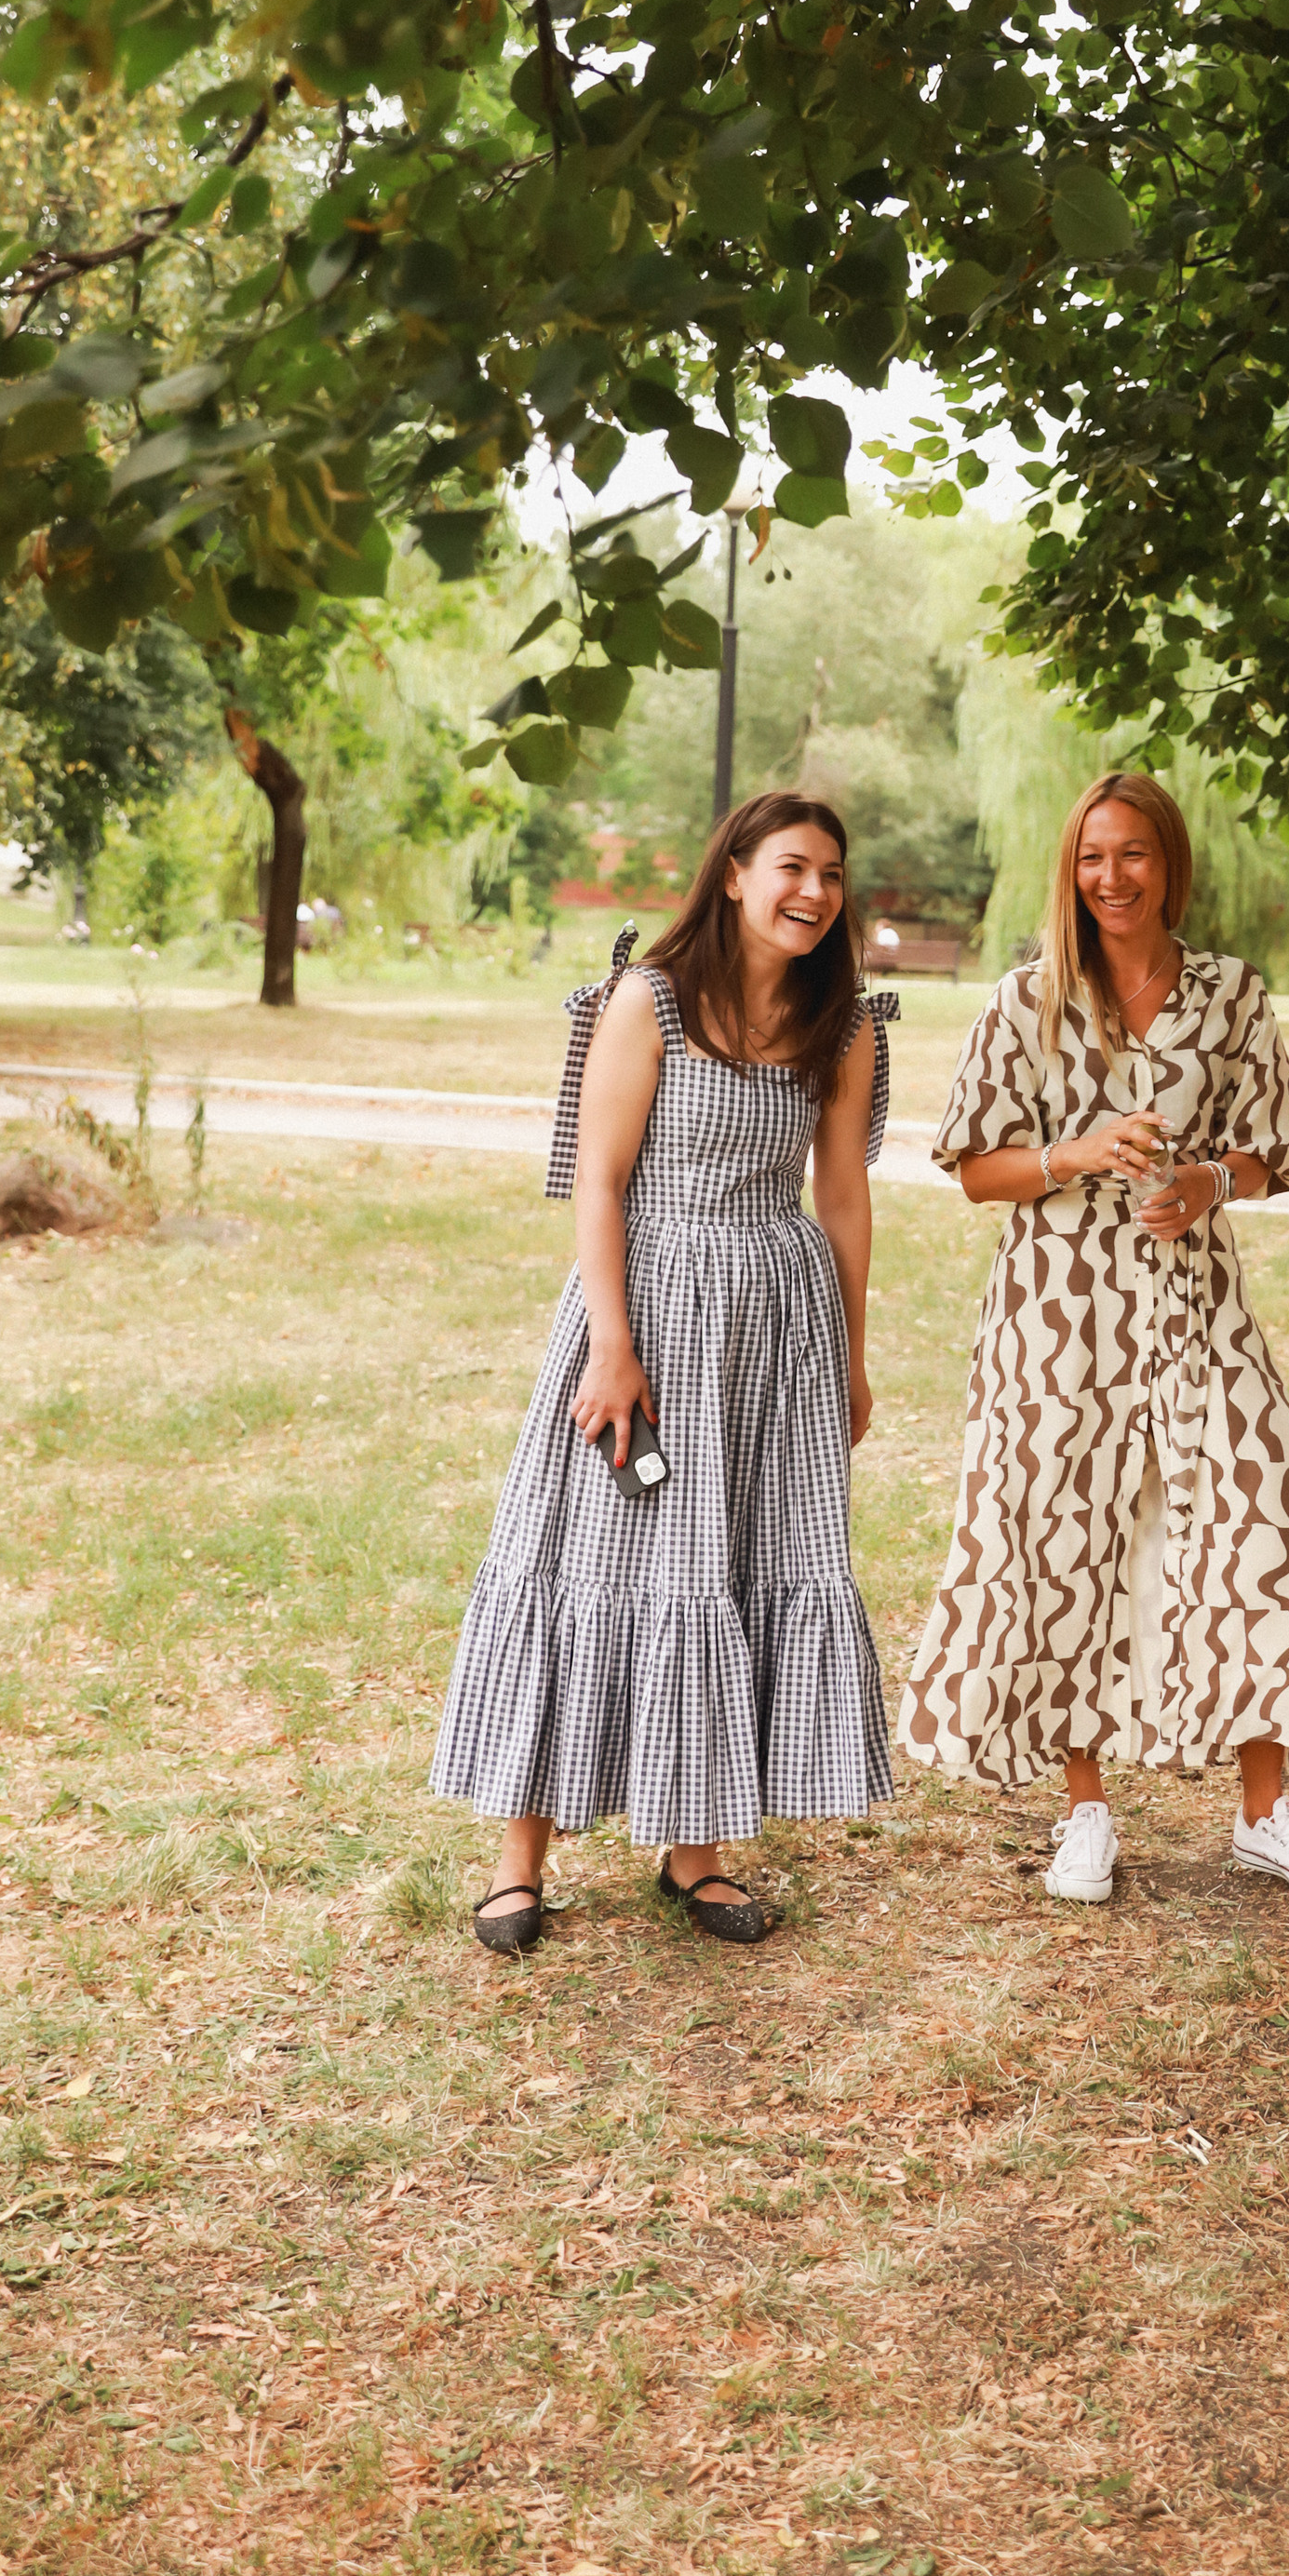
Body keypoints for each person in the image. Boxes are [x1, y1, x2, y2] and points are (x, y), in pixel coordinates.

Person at [431, 792, 897, 1953]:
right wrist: (612, 1343)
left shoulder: (844, 1024)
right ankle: (518, 1856)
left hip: (773, 1321)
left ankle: (696, 1853)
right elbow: (598, 1182)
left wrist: (846, 1348)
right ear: (733, 874)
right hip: (644, 1303)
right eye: (793, 867)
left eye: (833, 874)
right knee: (585, 1551)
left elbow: (839, 1193)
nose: (816, 893)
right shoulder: (650, 999)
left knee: (730, 1558)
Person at [898, 771, 1289, 1904]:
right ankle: (1085, 1811)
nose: (1112, 876)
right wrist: (1078, 1150)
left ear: (1170, 863)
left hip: (1193, 1303)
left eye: (1134, 853)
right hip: (1058, 1313)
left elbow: (1268, 1153)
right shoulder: (1026, 1001)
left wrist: (1210, 1180)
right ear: (1072, 868)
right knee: (1067, 1540)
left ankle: (1267, 1811)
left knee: (1250, 1521)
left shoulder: (1231, 994)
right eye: (1093, 856)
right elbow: (972, 1169)